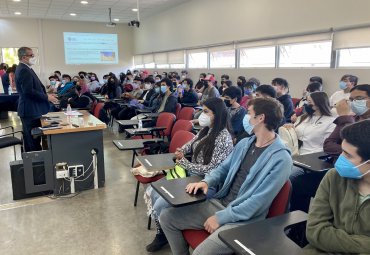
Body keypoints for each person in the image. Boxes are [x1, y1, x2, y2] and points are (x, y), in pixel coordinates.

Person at [160, 97, 292, 255]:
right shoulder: (245, 144)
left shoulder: (281, 159)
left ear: (260, 118)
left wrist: (221, 218)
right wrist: (207, 181)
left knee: (201, 253)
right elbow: (223, 168)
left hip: (244, 219)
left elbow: (258, 202)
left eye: (249, 113)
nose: (246, 117)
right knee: (167, 217)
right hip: (221, 203)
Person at [145, 97, 234, 252]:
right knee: (154, 192)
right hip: (190, 174)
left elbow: (212, 170)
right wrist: (181, 151)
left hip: (206, 182)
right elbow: (191, 143)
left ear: (217, 114)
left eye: (206, 111)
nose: (202, 115)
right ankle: (162, 233)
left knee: (160, 203)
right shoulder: (206, 130)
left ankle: (168, 235)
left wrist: (184, 162)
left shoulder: (224, 137)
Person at [305, 120, 370, 254]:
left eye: (348, 155)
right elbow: (314, 230)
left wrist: (332, 238)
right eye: (342, 151)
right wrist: (364, 244)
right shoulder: (334, 177)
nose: (340, 158)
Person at [288, 92, 336, 213]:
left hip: (313, 157)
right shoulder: (304, 117)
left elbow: (327, 145)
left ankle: (288, 209)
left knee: (287, 177)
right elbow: (295, 134)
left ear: (320, 103)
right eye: (307, 102)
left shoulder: (331, 121)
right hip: (296, 154)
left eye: (310, 102)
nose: (307, 105)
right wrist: (290, 128)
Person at [15, 47, 58, 152]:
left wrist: (46, 94)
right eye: (31, 55)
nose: (34, 57)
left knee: (34, 140)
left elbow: (34, 88)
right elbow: (28, 91)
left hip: (32, 109)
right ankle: (35, 165)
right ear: (24, 57)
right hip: (30, 110)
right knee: (33, 142)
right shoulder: (24, 69)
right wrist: (47, 97)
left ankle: (36, 163)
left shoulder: (26, 68)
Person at [324, 84, 370, 157]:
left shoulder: (346, 119)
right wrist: (350, 153)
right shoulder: (352, 118)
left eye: (359, 98)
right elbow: (328, 145)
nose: (354, 102)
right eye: (351, 99)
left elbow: (360, 145)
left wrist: (344, 116)